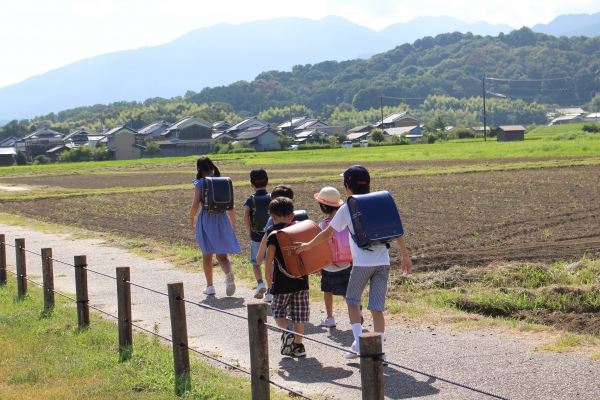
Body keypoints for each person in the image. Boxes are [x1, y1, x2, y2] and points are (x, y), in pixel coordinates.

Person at [297, 165, 412, 360]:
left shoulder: (348, 207)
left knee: (352, 300)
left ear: (347, 187)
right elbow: (396, 230)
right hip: (383, 262)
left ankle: (359, 342)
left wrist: (308, 245)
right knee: (376, 307)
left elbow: (327, 233)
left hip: (361, 264)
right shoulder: (380, 202)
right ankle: (380, 351)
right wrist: (405, 255)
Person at [190, 156, 241, 296]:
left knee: (207, 254)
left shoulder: (200, 183)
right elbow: (230, 205)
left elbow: (195, 204)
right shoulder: (223, 181)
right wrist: (233, 222)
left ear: (199, 169)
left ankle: (210, 286)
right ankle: (228, 274)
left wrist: (191, 217)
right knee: (222, 255)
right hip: (222, 218)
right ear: (212, 167)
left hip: (206, 218)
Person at [264, 197, 309, 357]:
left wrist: (267, 269)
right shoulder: (298, 229)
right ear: (292, 215)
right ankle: (298, 346)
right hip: (301, 279)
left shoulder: (273, 232)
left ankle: (285, 332)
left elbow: (270, 250)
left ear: (272, 217)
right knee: (299, 314)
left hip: (282, 280)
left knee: (277, 308)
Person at [313, 186, 352, 328]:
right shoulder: (347, 220)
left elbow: (320, 245)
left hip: (329, 265)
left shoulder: (323, 224)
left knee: (327, 291)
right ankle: (356, 312)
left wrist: (319, 265)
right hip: (346, 262)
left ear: (323, 206)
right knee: (346, 291)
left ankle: (330, 317)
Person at [255, 184, 295, 302]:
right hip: (292, 253)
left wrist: (260, 253)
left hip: (276, 254)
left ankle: (271, 291)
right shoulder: (294, 216)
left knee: (273, 274)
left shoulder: (273, 218)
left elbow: (267, 235)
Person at [243, 168, 270, 299]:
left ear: (251, 184)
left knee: (255, 262)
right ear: (267, 181)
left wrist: (249, 231)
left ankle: (260, 283)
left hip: (256, 236)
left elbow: (245, 217)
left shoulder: (250, 199)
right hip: (271, 237)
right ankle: (271, 290)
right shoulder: (272, 197)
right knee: (270, 263)